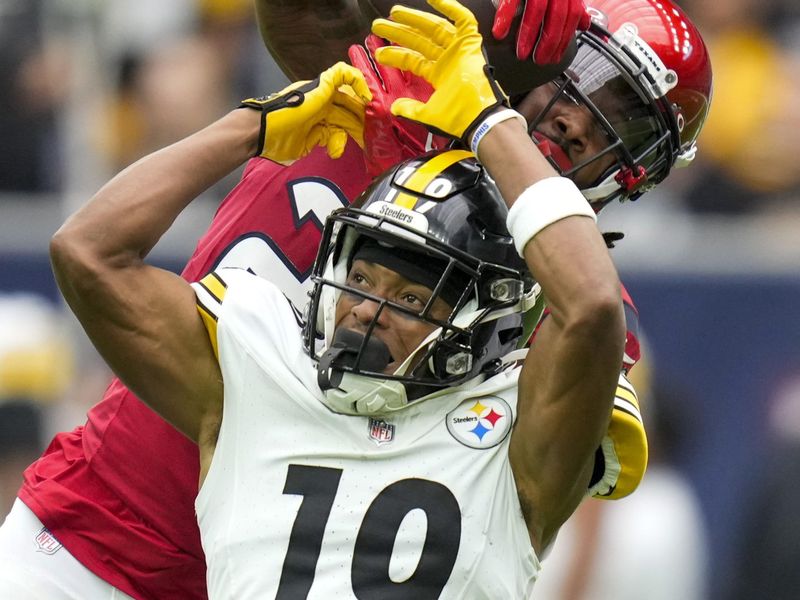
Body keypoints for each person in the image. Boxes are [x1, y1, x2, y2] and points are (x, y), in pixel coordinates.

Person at [0, 0, 712, 597]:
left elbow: (545, 489)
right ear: (545, 62)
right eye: (583, 80)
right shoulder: (402, 92)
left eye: (629, 127)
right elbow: (305, 16)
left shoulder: (574, 304)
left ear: (645, 178)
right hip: (98, 531)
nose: (582, 122)